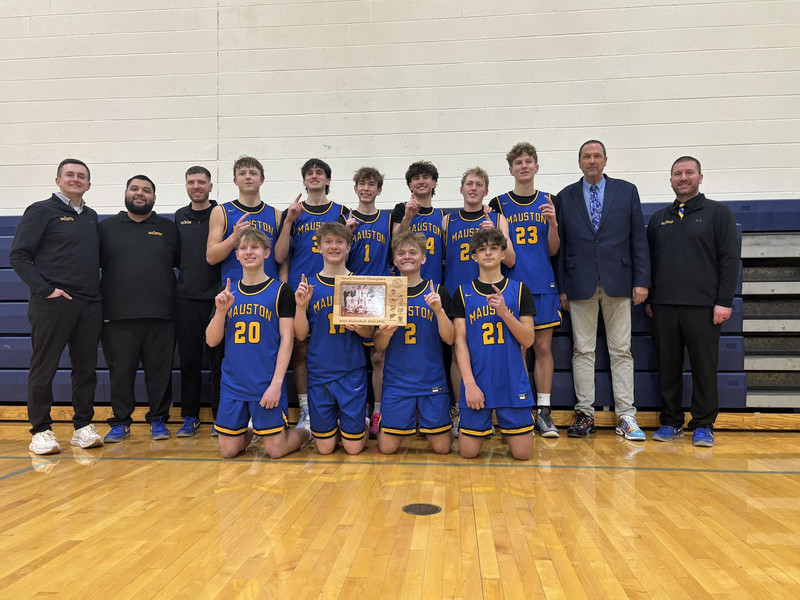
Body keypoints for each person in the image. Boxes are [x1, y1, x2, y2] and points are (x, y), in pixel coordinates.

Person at [555, 140, 649, 441]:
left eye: (597, 156)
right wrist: (561, 287)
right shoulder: (565, 197)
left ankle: (626, 416)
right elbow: (561, 246)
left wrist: (642, 280)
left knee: (622, 350)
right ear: (579, 162)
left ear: (605, 160)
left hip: (619, 281)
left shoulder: (627, 191)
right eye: (586, 156)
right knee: (583, 350)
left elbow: (638, 239)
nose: (592, 161)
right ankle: (585, 414)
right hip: (579, 282)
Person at [10, 158, 103, 454]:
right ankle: (41, 430)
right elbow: (19, 255)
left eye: (81, 176)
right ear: (58, 180)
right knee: (44, 367)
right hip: (52, 303)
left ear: (88, 184)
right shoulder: (41, 211)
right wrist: (46, 290)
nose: (75, 179)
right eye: (70, 175)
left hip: (88, 304)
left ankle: (82, 426)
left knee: (86, 369)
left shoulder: (90, 216)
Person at [646, 157, 740, 447]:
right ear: (670, 180)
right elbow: (649, 262)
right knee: (668, 366)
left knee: (704, 368)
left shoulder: (718, 214)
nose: (683, 178)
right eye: (677, 174)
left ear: (700, 177)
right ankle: (671, 422)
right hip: (663, 306)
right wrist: (651, 297)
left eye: (689, 173)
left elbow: (729, 261)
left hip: (704, 307)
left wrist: (724, 301)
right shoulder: (658, 218)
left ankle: (703, 424)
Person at [205, 229, 310, 458]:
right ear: (237, 254)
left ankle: (307, 432)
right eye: (243, 248)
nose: (249, 252)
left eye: (254, 247)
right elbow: (212, 341)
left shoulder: (281, 291)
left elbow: (287, 339)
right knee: (228, 451)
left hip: (266, 383)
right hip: (234, 384)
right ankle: (253, 431)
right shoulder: (226, 293)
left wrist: (276, 384)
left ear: (266, 252)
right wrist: (221, 312)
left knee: (275, 450)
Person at [100, 175, 179, 443]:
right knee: (120, 374)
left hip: (162, 315)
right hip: (117, 316)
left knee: (160, 374)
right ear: (125, 193)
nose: (140, 193)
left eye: (146, 190)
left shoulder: (168, 228)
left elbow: (182, 264)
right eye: (135, 188)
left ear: (154, 198)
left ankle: (158, 420)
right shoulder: (106, 228)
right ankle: (121, 422)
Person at [489, 143, 561, 438]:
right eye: (518, 163)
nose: (524, 166)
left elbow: (554, 250)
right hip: (512, 286)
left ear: (536, 167)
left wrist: (554, 223)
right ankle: (519, 409)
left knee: (543, 348)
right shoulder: (498, 204)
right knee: (517, 349)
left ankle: (543, 411)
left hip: (543, 284)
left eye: (529, 161)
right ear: (511, 170)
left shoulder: (549, 200)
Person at [273, 159, 348, 431]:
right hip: (302, 289)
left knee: (342, 345)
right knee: (301, 349)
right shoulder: (292, 212)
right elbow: (280, 256)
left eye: (320, 173)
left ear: (328, 180)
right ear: (304, 181)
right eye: (309, 173)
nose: (315, 177)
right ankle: (305, 410)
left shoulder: (342, 212)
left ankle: (346, 408)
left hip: (335, 288)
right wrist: (288, 221)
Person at [452, 228, 536, 460]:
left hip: (511, 381)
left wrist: (505, 313)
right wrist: (469, 385)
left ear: (502, 254)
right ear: (474, 256)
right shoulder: (462, 292)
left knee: (523, 455)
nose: (488, 253)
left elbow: (528, 340)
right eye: (482, 249)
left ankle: (516, 428)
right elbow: (460, 343)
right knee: (468, 453)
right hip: (478, 381)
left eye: (493, 248)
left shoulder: (519, 290)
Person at [444, 167, 515, 434]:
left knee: (490, 350)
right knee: (457, 352)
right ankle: (462, 411)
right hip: (457, 293)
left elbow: (511, 259)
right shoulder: (447, 221)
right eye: (469, 184)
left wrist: (497, 235)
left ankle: (497, 408)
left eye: (479, 184)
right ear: (461, 189)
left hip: (490, 293)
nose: (473, 188)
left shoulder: (497, 219)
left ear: (486, 191)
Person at [293, 222, 373, 455]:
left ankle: (362, 422)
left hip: (351, 370)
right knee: (325, 449)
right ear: (318, 247)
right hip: (320, 372)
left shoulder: (359, 283)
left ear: (349, 247)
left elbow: (370, 335)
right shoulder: (308, 285)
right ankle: (336, 427)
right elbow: (300, 334)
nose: (334, 247)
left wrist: (360, 327)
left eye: (339, 242)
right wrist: (300, 308)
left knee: (353, 448)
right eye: (328, 242)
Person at [373, 232, 454, 454]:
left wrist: (438, 312)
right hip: (397, 382)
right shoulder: (385, 293)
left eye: (412, 252)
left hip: (431, 380)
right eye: (401, 253)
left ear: (423, 258)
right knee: (387, 449)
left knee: (442, 448)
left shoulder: (438, 292)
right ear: (394, 260)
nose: (406, 257)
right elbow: (379, 346)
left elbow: (450, 338)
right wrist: (385, 334)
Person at [174, 166, 222, 437]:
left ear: (210, 186)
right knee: (189, 361)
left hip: (217, 299)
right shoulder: (180, 217)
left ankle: (220, 417)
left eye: (201, 182)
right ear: (186, 186)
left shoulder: (222, 214)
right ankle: (190, 416)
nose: (196, 186)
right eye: (191, 182)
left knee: (219, 361)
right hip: (187, 299)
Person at [345, 167, 392, 437]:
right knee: (353, 356)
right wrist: (348, 232)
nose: (366, 188)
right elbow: (334, 255)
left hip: (380, 292)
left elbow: (398, 250)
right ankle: (357, 408)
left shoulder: (386, 220)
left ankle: (377, 410)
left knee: (378, 356)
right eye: (361, 184)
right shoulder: (345, 218)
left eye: (371, 184)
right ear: (355, 189)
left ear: (379, 190)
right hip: (352, 290)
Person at [207, 156, 282, 286]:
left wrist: (283, 287)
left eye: (253, 173)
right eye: (242, 173)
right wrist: (234, 237)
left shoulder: (277, 215)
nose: (247, 177)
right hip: (234, 290)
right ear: (235, 181)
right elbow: (211, 257)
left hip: (270, 290)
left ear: (261, 180)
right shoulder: (221, 211)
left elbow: (283, 260)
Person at [391, 161, 445, 285]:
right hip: (404, 281)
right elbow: (395, 242)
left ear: (434, 183)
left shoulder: (442, 215)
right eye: (416, 178)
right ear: (410, 185)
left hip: (434, 281)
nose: (421, 181)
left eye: (425, 177)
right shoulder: (401, 208)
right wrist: (408, 217)